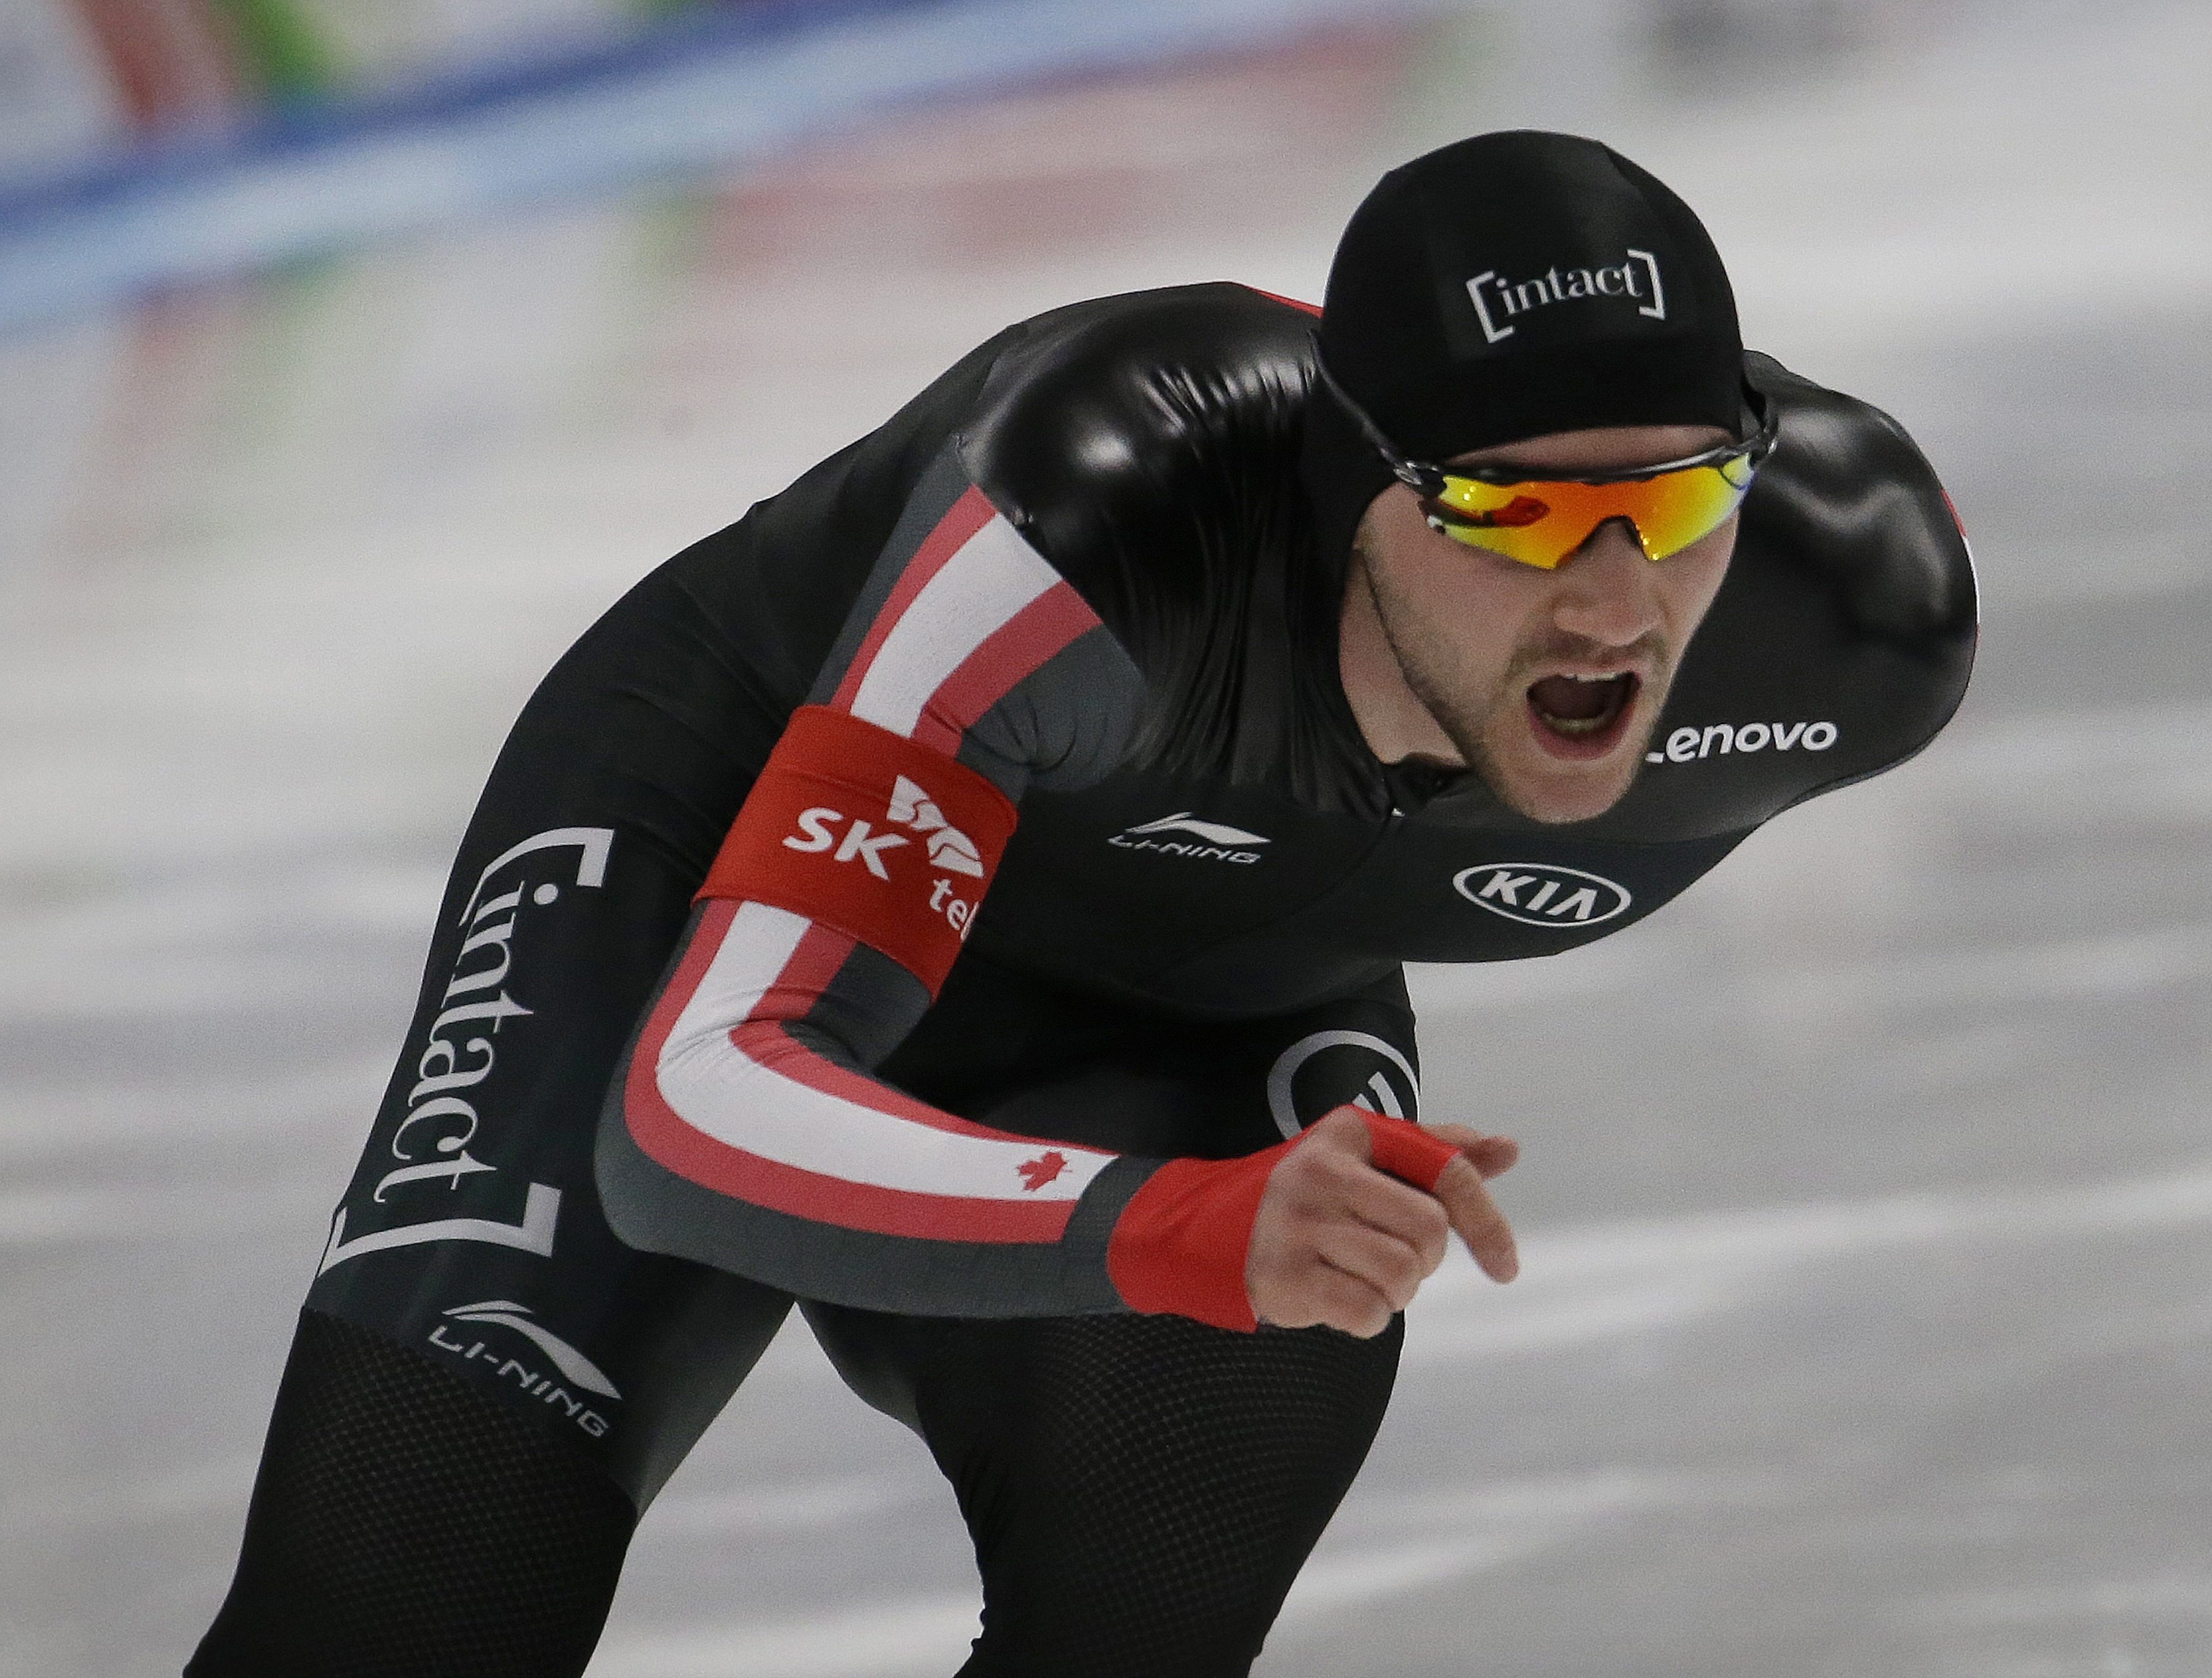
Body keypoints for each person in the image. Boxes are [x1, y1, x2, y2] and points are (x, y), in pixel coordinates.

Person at [189, 129, 1974, 1677]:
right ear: (1357, 474)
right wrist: (1175, 1223)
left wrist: (1219, 1235)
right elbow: (686, 1112)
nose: (1614, 599)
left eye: (1675, 500)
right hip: (733, 859)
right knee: (396, 1620)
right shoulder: (1099, 515)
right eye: (1514, 513)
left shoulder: (1854, 616)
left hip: (1207, 986)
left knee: (1211, 1463)